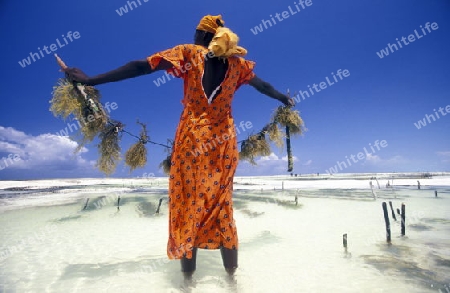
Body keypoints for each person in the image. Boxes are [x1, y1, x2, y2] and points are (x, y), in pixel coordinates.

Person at [65, 15, 294, 275]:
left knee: (187, 204)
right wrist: (284, 99)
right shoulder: (238, 65)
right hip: (223, 144)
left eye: (197, 33)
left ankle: (188, 283)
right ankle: (232, 280)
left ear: (205, 37)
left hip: (192, 138)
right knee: (221, 205)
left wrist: (92, 80)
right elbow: (263, 86)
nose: (194, 37)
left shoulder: (189, 53)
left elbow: (141, 66)